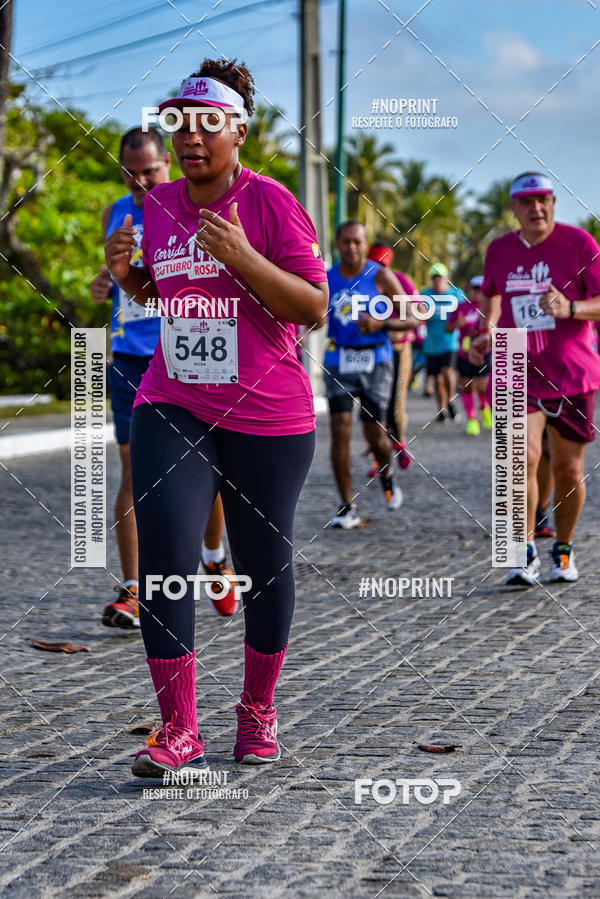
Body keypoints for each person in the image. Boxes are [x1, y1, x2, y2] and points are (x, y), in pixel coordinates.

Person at [104, 58, 328, 774]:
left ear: (238, 131)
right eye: (179, 125)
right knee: (169, 558)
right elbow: (175, 296)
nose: (190, 138)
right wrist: (130, 279)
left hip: (267, 409)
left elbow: (312, 307)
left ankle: (257, 711)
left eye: (207, 125)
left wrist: (243, 257)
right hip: (175, 399)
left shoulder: (270, 203)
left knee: (264, 565)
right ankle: (178, 728)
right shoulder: (160, 203)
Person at [92, 128, 237, 626]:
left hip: (189, 349)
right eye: (130, 173)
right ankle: (133, 590)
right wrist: (104, 279)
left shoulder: (192, 206)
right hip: (132, 358)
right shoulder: (117, 211)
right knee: (133, 474)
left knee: (209, 470)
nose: (139, 182)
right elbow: (119, 272)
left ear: (168, 163)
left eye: (149, 172)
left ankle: (213, 555)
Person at [471, 171, 600, 585]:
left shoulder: (580, 243)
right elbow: (491, 292)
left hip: (571, 370)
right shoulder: (499, 250)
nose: (536, 208)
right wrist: (487, 330)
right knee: (519, 458)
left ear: (553, 203)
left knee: (568, 470)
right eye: (526, 202)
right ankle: (522, 550)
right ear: (514, 208)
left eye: (542, 200)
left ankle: (562, 549)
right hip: (513, 362)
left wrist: (572, 308)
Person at [322, 221, 417, 528]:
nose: (352, 248)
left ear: (365, 244)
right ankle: (346, 505)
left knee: (375, 433)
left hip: (376, 360)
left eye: (357, 242)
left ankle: (387, 475)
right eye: (346, 242)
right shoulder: (326, 278)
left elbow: (413, 317)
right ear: (337, 243)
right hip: (339, 358)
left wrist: (382, 325)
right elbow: (312, 314)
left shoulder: (381, 276)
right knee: (339, 428)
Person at [368, 241, 417, 469]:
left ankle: (400, 443)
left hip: (399, 349)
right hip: (373, 352)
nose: (380, 268)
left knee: (396, 403)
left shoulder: (402, 281)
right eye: (375, 263)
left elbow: (420, 313)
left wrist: (398, 328)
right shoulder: (362, 281)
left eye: (383, 264)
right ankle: (380, 454)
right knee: (376, 406)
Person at [444, 275, 492, 435]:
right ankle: (472, 420)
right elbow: (448, 328)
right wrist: (456, 324)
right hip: (464, 354)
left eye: (481, 289)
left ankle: (484, 408)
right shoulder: (461, 307)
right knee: (467, 388)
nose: (477, 292)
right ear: (470, 289)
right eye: (475, 289)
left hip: (484, 352)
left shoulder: (489, 307)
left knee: (483, 387)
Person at [421, 263, 463, 422]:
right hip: (432, 344)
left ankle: (451, 398)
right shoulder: (425, 295)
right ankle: (442, 410)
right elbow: (417, 315)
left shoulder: (456, 294)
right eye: (434, 277)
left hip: (450, 342)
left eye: (440, 277)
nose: (438, 280)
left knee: (447, 372)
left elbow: (466, 312)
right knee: (437, 379)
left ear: (447, 278)